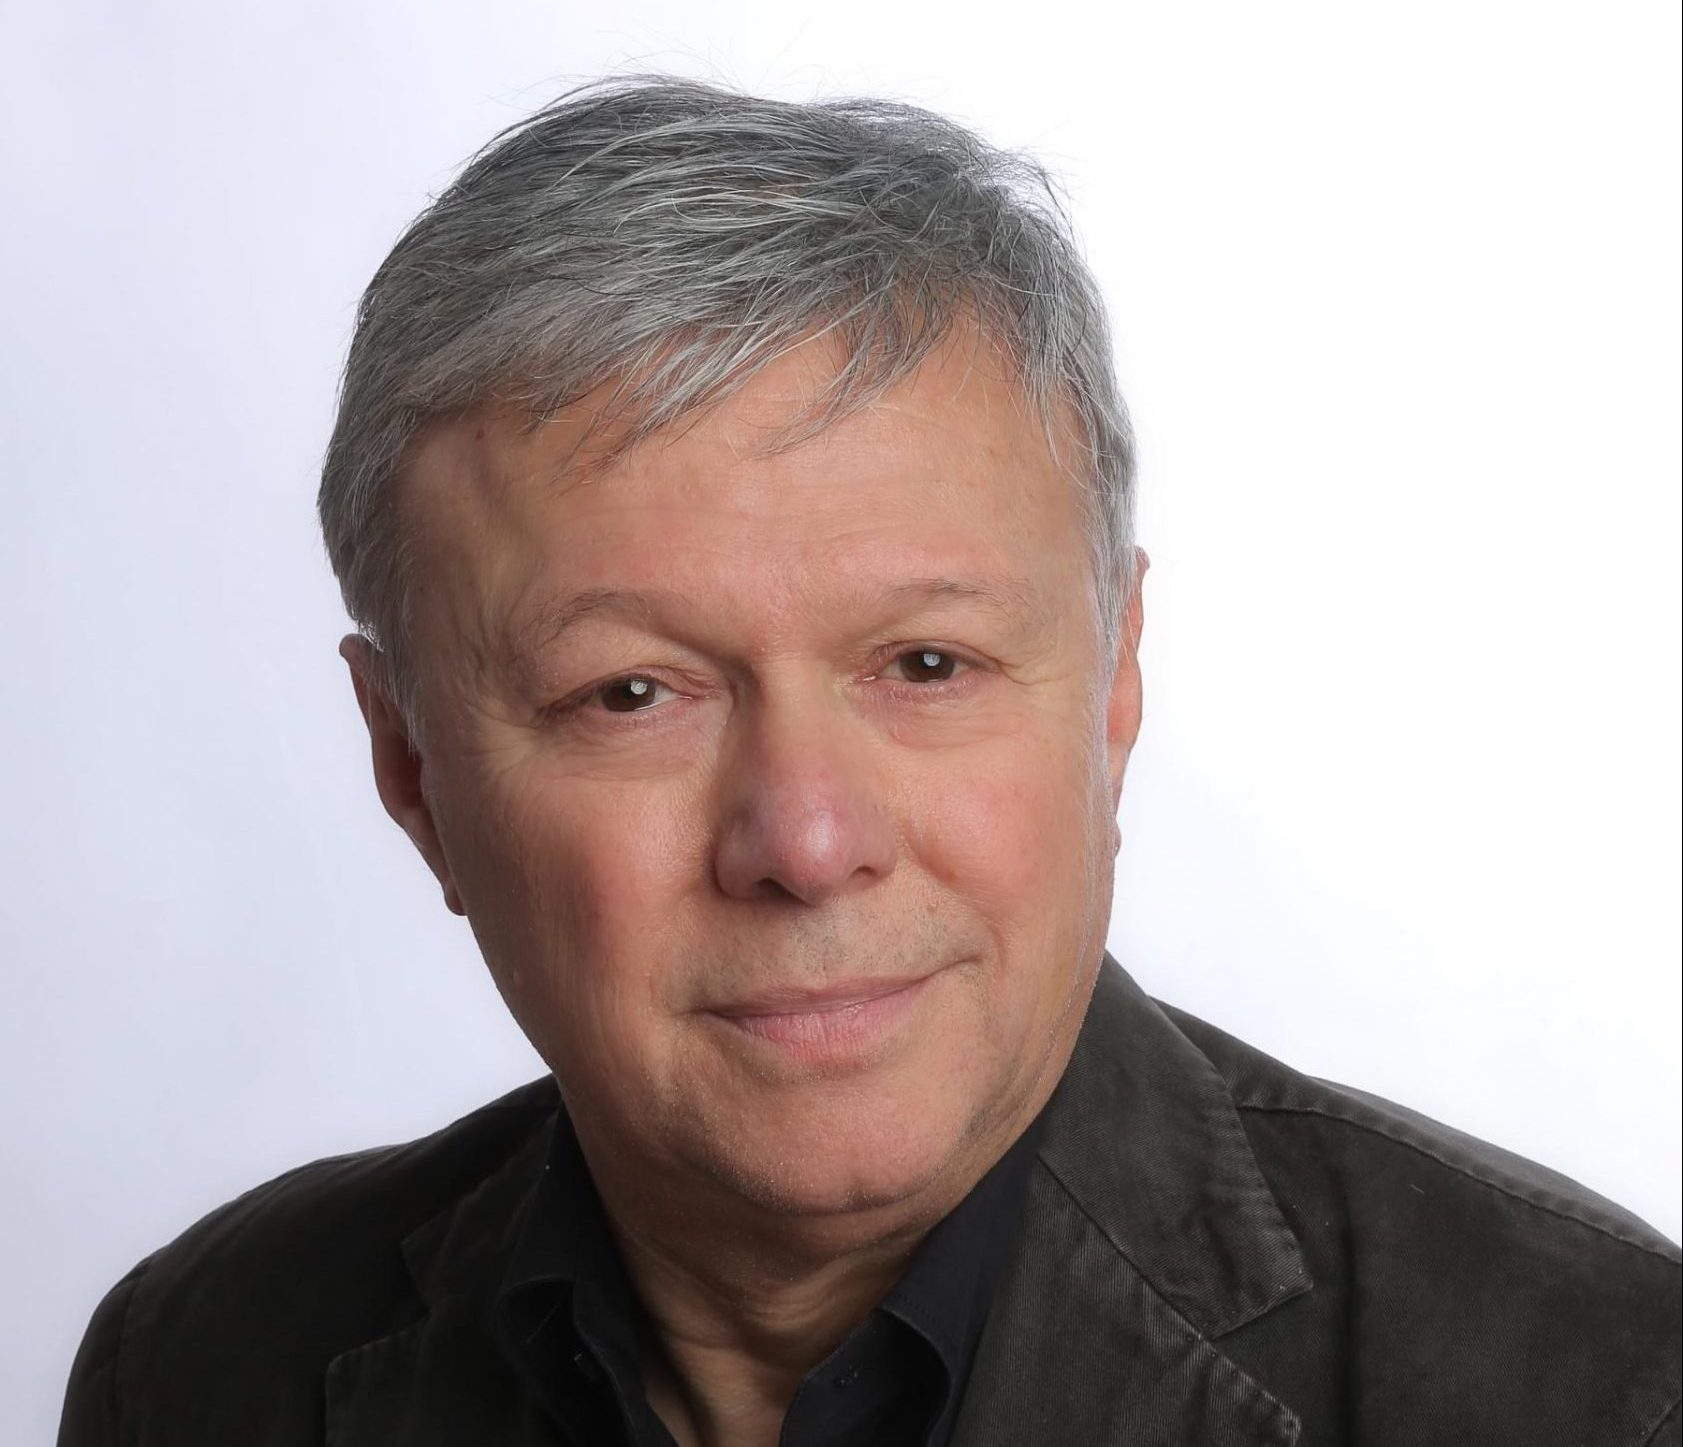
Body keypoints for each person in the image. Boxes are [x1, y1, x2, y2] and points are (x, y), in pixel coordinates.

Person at [59, 76, 1679, 1447]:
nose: (807, 840)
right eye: (633, 693)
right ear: (410, 770)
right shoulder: (198, 1368)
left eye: (925, 665)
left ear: (1114, 684)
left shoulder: (1598, 1390)